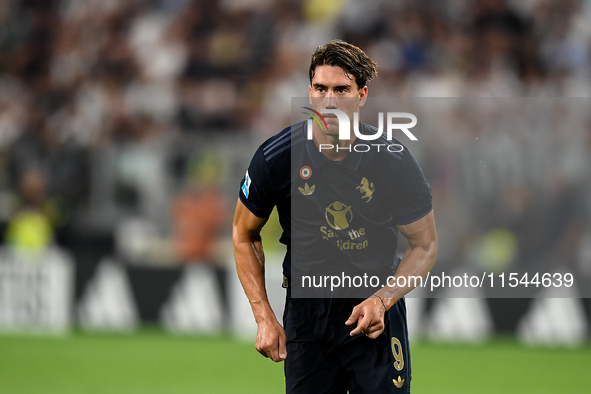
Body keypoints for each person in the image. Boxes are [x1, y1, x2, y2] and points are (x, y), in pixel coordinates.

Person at [233, 40, 438, 393]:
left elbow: (425, 244)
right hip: (307, 317)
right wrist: (263, 315)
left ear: (361, 95)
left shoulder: (393, 161)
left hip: (373, 314)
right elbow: (243, 233)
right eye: (320, 88)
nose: (329, 100)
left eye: (341, 89)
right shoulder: (276, 158)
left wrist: (383, 300)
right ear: (309, 93)